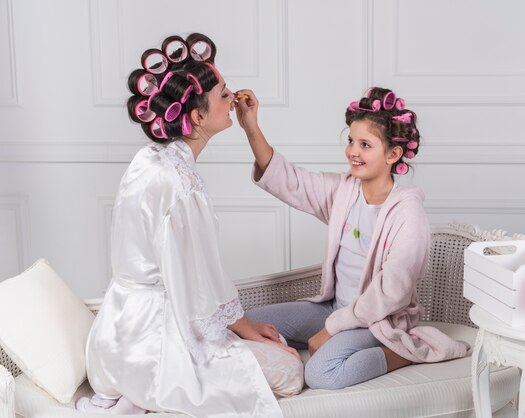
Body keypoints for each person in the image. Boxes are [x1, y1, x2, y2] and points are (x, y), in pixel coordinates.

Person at [79, 33, 303, 417]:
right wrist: (245, 329)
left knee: (274, 343)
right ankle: (148, 390)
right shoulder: (183, 184)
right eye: (223, 94)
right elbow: (202, 278)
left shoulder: (149, 159)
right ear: (197, 117)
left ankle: (137, 390)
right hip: (152, 342)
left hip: (112, 339)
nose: (234, 98)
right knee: (291, 369)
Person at [238, 87, 470, 390]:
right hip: (331, 309)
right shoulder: (344, 191)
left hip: (376, 321)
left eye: (365, 144)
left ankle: (405, 352)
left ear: (393, 154)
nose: (352, 151)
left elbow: (392, 294)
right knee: (248, 325)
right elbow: (289, 181)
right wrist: (251, 126)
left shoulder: (408, 214)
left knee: (321, 373)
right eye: (350, 141)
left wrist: (332, 329)